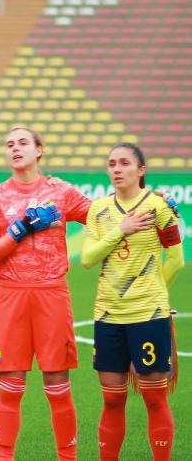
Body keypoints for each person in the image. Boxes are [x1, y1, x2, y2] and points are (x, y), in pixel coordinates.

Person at [0, 127, 92, 461]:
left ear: (39, 150)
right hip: (12, 295)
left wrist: (140, 203)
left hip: (52, 293)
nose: (15, 148)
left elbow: (100, 217)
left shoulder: (62, 191)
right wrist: (23, 227)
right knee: (10, 386)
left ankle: (67, 458)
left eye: (23, 143)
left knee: (57, 384)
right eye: (9, 144)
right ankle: (4, 457)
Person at [81, 143, 184, 461]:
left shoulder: (158, 207)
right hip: (108, 315)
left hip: (148, 315)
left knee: (155, 400)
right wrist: (119, 230)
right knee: (112, 400)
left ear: (140, 170)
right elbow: (87, 259)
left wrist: (156, 293)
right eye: (111, 163)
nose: (116, 169)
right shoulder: (98, 210)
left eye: (124, 163)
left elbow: (176, 260)